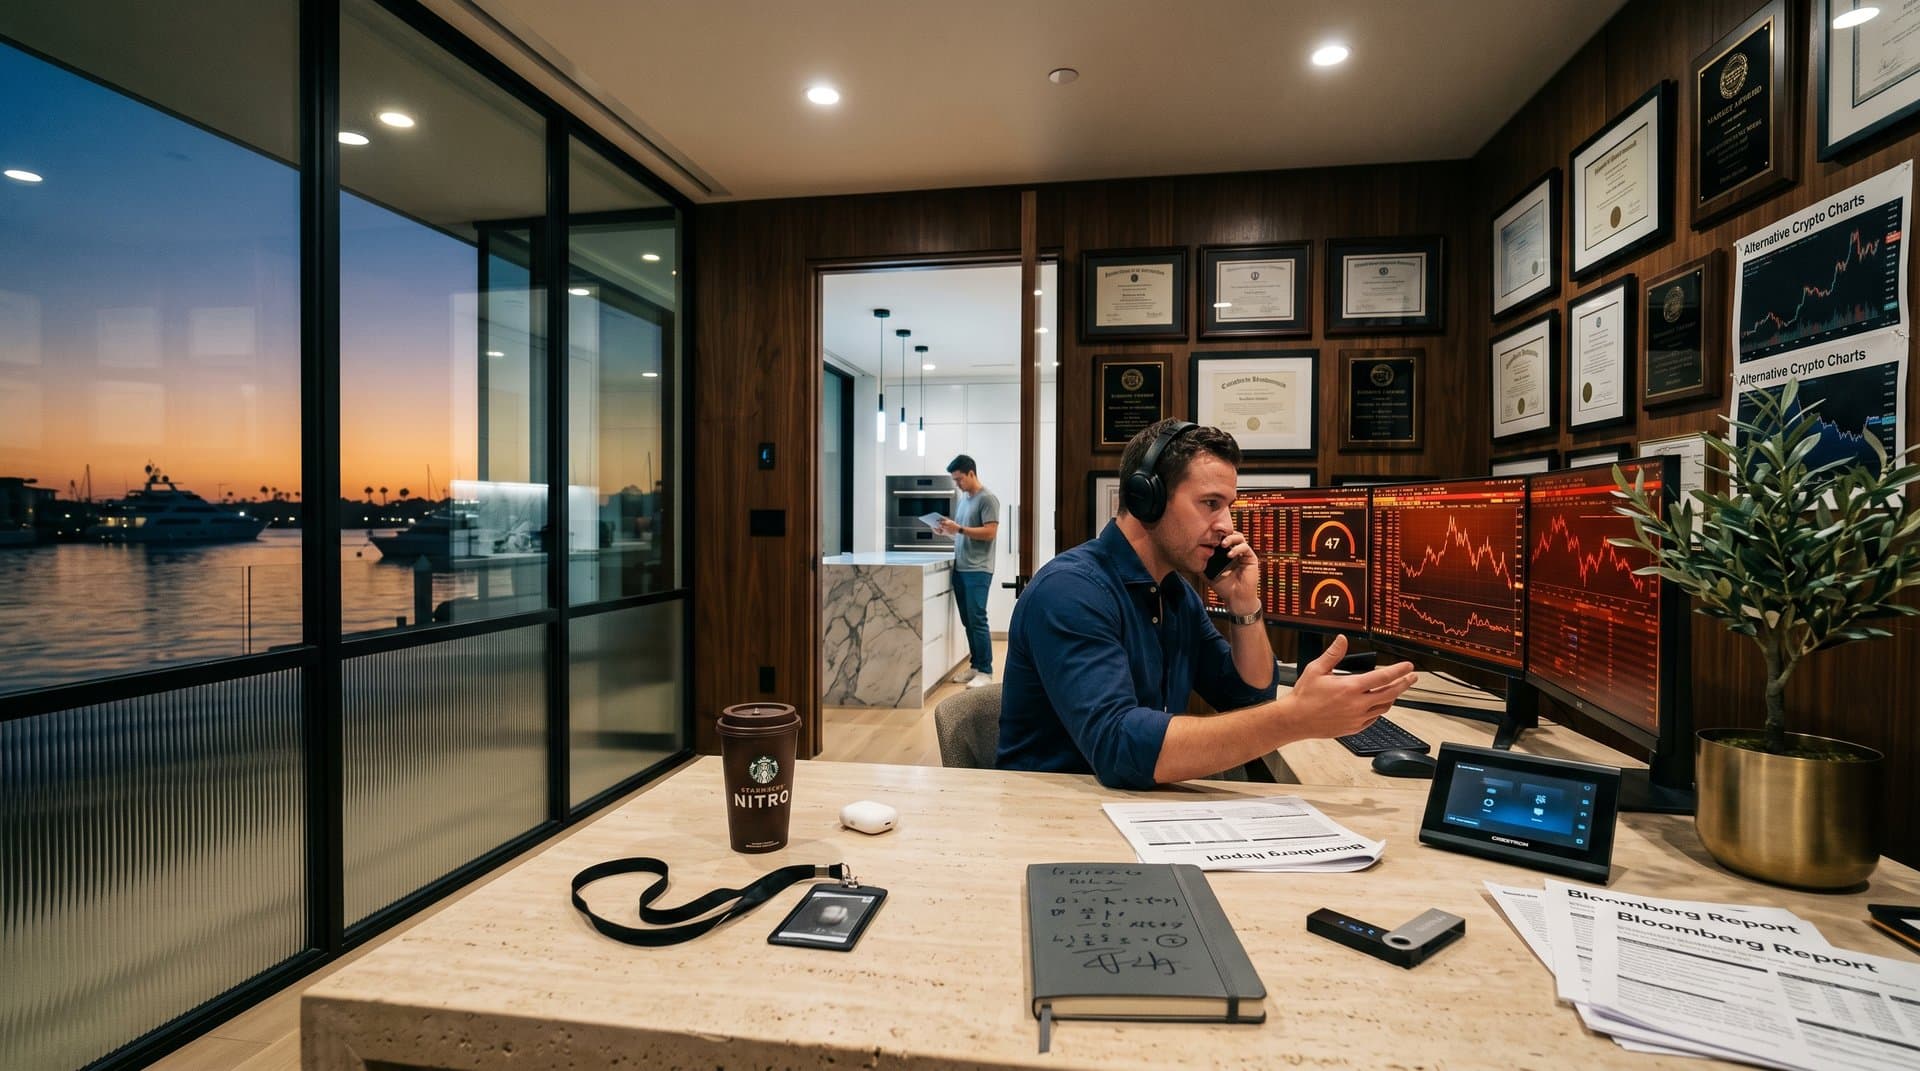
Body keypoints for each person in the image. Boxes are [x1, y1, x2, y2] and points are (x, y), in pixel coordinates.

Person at [997, 419, 1417, 788]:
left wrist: (1244, 604)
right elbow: (1119, 747)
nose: (1227, 526)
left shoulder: (1174, 593)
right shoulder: (1071, 591)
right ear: (1148, 499)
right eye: (1210, 504)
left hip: (1128, 808)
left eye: (1228, 507)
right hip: (1054, 821)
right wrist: (1294, 718)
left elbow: (1247, 699)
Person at [937, 454, 999, 689]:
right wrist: (948, 531)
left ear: (971, 473)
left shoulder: (988, 499)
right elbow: (964, 531)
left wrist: (959, 528)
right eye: (954, 480)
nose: (957, 484)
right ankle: (975, 666)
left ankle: (986, 671)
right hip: (961, 568)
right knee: (967, 621)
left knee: (977, 619)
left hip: (978, 569)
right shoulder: (964, 500)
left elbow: (990, 533)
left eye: (959, 479)